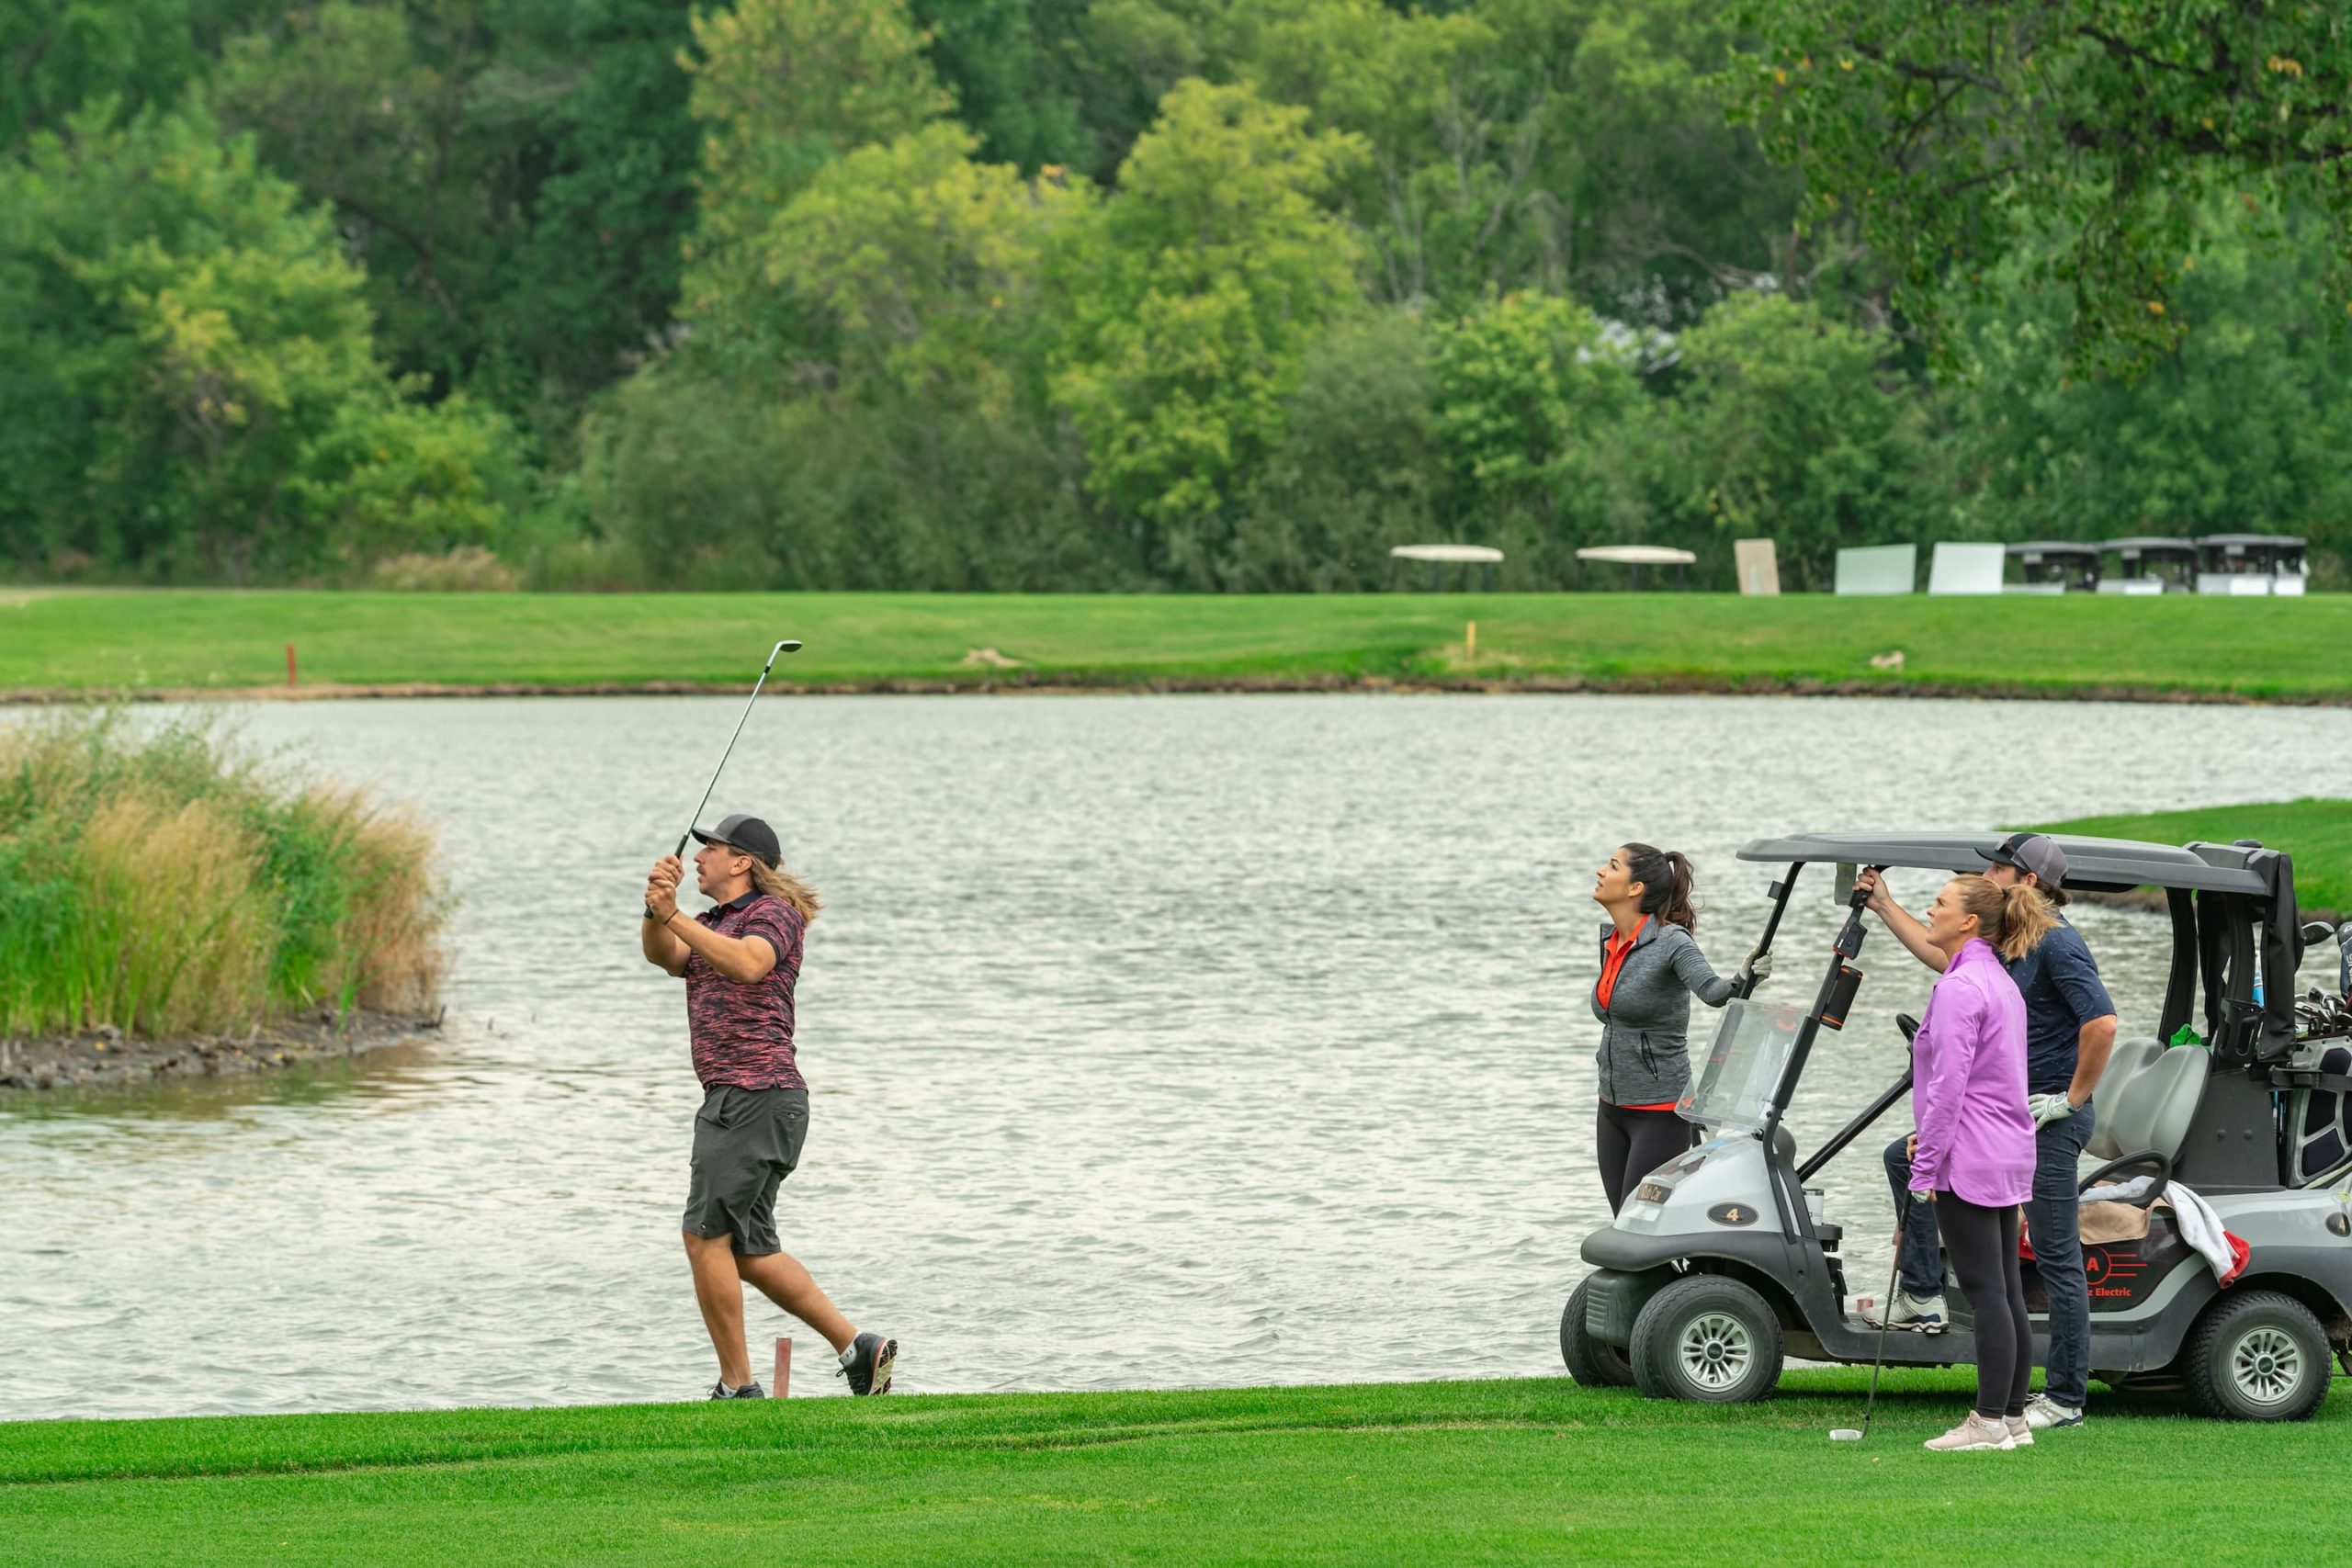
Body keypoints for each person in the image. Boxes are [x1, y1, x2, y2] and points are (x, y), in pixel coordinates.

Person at [1863, 832, 2117, 1434]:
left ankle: (2065, 1396)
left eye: (2000, 868)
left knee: (2054, 1255)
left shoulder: (2058, 943)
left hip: (2045, 1116)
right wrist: (1884, 904)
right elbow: (1946, 953)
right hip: (2005, 1116)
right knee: (1902, 1159)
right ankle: (1923, 1291)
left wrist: (2069, 1098)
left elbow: (2102, 1023)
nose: (1992, 875)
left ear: (2028, 880)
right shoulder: (2007, 942)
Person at [641, 812, 897, 1400]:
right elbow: (666, 958)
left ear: (742, 863)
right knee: (751, 1251)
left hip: (752, 1096)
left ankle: (738, 1385)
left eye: (712, 850)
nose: (699, 858)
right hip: (747, 1101)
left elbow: (750, 964)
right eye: (698, 849)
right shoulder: (710, 922)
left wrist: (675, 915)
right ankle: (859, 1348)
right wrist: (657, 909)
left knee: (704, 1237)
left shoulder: (772, 914)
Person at [1907, 873, 2049, 1451]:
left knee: (1986, 1292)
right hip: (2003, 1152)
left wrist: (1924, 1168)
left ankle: (1988, 1421)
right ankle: (2011, 1418)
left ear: (1967, 921)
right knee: (2005, 1290)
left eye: (1939, 903)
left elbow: (1949, 1087)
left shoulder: (1963, 987)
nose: (1930, 909)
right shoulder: (1998, 981)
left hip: (1971, 1155)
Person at [1589, 843, 1769, 1213]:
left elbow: (1714, 992)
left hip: (1660, 1112)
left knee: (1640, 1223)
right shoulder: (1610, 941)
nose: (1600, 872)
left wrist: (1744, 977)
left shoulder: (1672, 942)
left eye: (1612, 866)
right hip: (1611, 1106)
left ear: (1635, 888)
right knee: (1624, 1223)